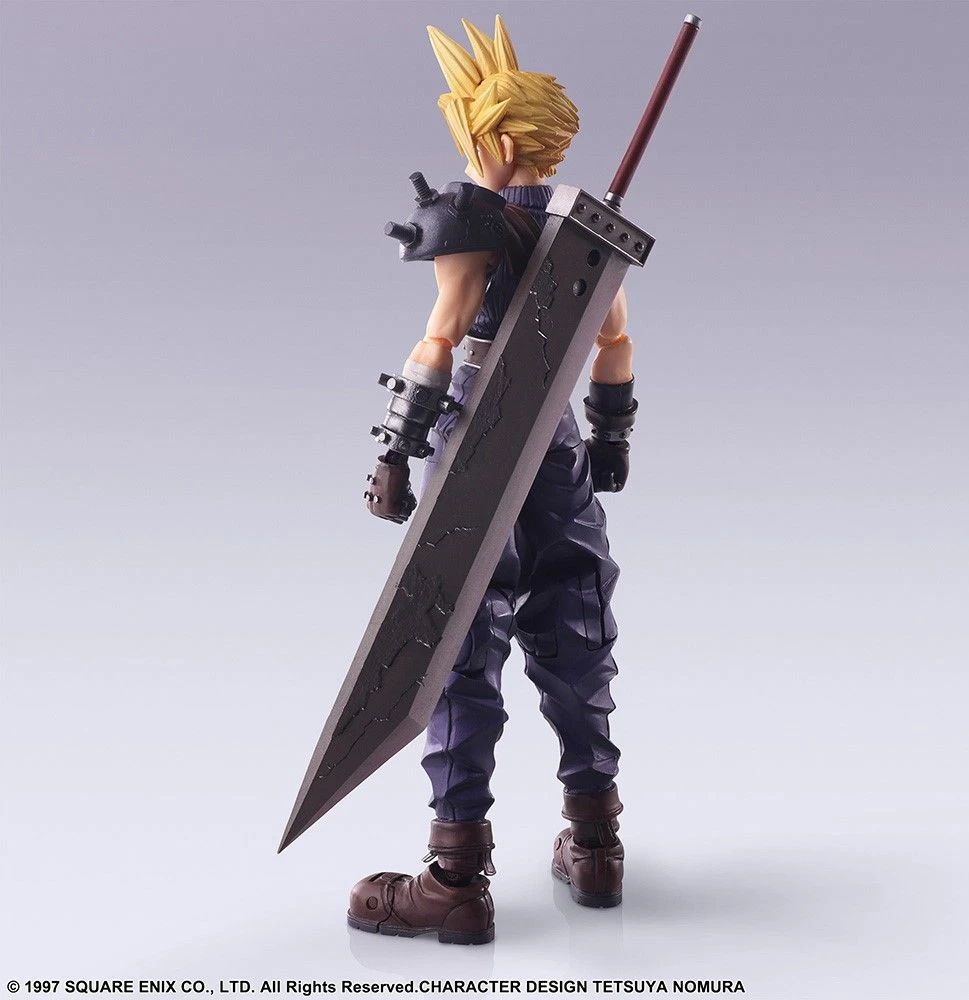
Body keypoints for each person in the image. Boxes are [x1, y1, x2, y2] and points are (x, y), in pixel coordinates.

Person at [350, 16, 638, 945]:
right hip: (557, 438)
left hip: (475, 434)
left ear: (498, 143)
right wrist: (612, 438)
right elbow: (614, 343)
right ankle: (596, 843)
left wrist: (397, 450)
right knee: (575, 621)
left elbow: (441, 339)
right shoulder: (586, 230)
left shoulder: (471, 221)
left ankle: (454, 880)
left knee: (457, 634)